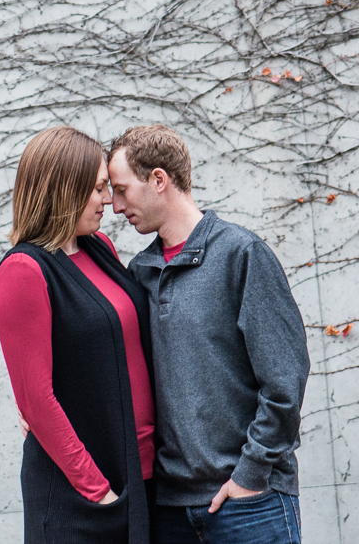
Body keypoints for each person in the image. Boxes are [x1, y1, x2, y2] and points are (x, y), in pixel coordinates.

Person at [106, 124, 309, 544]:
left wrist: (250, 476)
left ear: (158, 180)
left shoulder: (241, 254)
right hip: (169, 513)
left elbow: (285, 379)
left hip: (250, 504)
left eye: (122, 190)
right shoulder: (138, 275)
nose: (115, 206)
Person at [0, 126, 156, 544]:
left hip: (140, 480)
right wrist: (97, 492)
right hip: (83, 501)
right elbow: (36, 398)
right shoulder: (24, 270)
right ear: (63, 188)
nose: (108, 200)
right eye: (98, 188)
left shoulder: (99, 247)